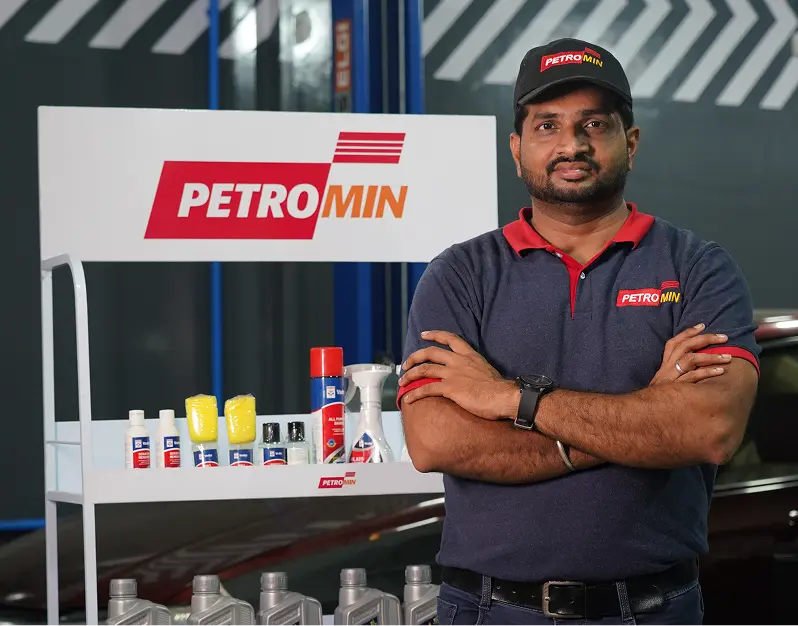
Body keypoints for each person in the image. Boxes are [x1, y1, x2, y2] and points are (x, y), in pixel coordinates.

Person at [397, 38, 760, 626]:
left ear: (630, 143)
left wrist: (508, 399)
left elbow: (708, 429)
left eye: (596, 123)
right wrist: (644, 419)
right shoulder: (460, 275)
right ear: (516, 150)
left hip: (653, 608)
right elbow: (437, 442)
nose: (572, 144)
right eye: (547, 125)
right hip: (493, 609)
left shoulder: (697, 267)